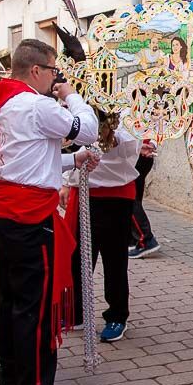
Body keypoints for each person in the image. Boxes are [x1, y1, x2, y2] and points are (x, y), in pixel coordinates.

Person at [0, 38, 98, 385]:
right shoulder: (36, 104)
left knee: (11, 298)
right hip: (30, 216)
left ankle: (10, 378)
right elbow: (89, 129)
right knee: (37, 306)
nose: (55, 78)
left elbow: (26, 157)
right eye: (53, 71)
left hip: (4, 209)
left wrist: (70, 160)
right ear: (36, 71)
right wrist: (74, 96)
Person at [64, 111, 140, 342]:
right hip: (83, 193)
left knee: (114, 260)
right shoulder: (77, 111)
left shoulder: (126, 113)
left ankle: (117, 315)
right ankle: (75, 312)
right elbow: (68, 150)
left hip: (115, 195)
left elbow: (132, 146)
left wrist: (112, 133)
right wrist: (66, 183)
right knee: (76, 257)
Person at [128, 141, 160, 259]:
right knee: (135, 196)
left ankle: (145, 239)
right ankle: (133, 238)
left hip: (137, 154)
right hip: (141, 153)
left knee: (129, 199)